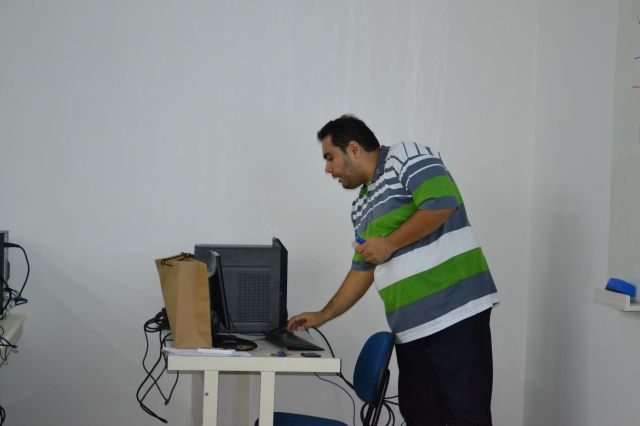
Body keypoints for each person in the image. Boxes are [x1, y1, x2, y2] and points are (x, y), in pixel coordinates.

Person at [287, 115, 499, 426]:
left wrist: (389, 243)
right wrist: (324, 314)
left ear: (354, 148)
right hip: (411, 330)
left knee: (465, 416)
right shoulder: (361, 206)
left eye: (330, 157)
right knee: (419, 417)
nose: (327, 169)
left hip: (455, 314)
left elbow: (442, 202)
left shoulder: (405, 156)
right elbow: (363, 269)